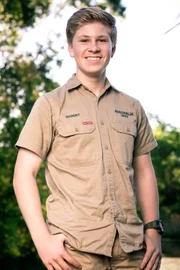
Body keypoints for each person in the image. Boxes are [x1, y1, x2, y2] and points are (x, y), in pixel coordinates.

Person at [13, 6, 164, 270]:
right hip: (74, 251)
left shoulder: (132, 107)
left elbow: (144, 171)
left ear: (113, 48)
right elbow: (23, 174)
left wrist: (153, 229)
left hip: (132, 250)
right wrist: (42, 240)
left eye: (101, 40)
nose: (93, 47)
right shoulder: (50, 105)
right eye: (84, 40)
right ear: (71, 48)